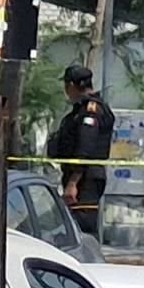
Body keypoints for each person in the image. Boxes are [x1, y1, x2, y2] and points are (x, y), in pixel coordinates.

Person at [48, 65, 115, 235]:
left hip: (85, 180)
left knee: (82, 226)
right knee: (73, 226)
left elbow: (85, 148)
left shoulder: (90, 111)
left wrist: (73, 183)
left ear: (71, 85)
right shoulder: (81, 109)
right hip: (81, 177)